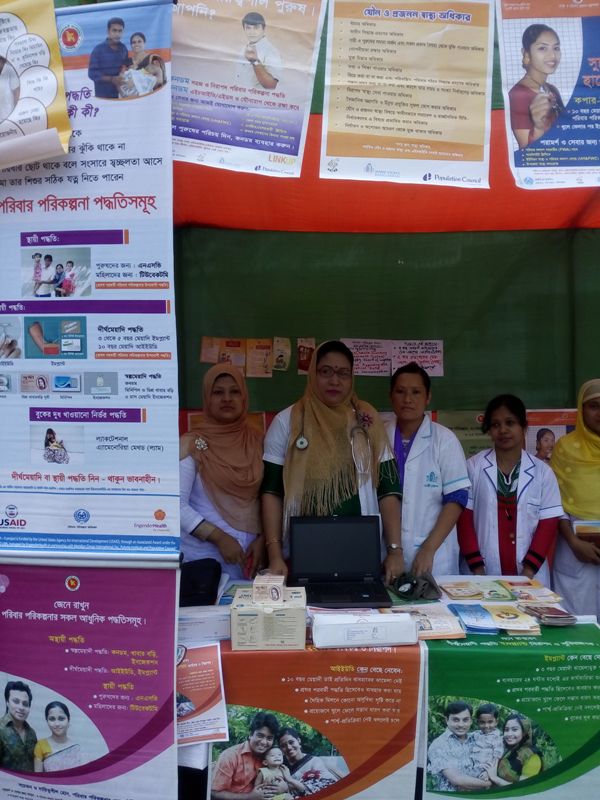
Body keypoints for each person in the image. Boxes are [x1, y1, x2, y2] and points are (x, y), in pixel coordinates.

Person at [261, 340, 403, 585]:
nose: (334, 380)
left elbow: (387, 491)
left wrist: (395, 551)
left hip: (362, 548)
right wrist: (275, 555)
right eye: (325, 371)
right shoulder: (288, 422)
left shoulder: (367, 420)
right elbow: (272, 492)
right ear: (312, 374)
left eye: (343, 373)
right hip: (305, 549)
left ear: (351, 378)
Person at [457, 394, 562, 585]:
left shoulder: (543, 472)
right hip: (480, 573)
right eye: (495, 425)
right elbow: (464, 520)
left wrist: (528, 573)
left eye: (510, 423)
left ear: (524, 427)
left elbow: (548, 524)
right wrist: (478, 571)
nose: (503, 430)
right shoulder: (473, 467)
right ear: (489, 430)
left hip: (530, 574)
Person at [382, 362, 470, 575]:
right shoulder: (378, 437)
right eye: (400, 392)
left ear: (428, 397)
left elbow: (457, 497)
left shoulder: (444, 440)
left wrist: (429, 549)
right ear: (391, 396)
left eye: (416, 392)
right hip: (386, 553)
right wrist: (393, 550)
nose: (407, 399)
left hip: (434, 556)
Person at [180, 364, 265, 580]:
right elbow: (175, 506)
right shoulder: (190, 444)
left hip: (251, 561)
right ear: (207, 399)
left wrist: (264, 540)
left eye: (234, 391)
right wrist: (219, 537)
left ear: (244, 397)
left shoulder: (259, 442)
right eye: (218, 392)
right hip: (202, 563)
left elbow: (273, 497)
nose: (227, 398)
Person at [551, 379, 600, 617]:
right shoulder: (565, 448)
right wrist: (573, 542)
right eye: (593, 406)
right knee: (579, 626)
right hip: (575, 549)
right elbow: (554, 503)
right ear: (582, 409)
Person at [509, 24, 565, 149]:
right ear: (527, 54)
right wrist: (539, 127)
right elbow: (526, 150)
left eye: (556, 48)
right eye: (542, 48)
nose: (552, 56)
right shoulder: (518, 95)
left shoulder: (552, 89)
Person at [211, 712, 280, 800]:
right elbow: (215, 792)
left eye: (269, 738)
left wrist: (283, 787)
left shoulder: (270, 756)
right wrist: (249, 797)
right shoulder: (230, 756)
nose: (264, 742)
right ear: (250, 734)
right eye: (260, 736)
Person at [427, 701, 490, 791]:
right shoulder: (439, 745)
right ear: (447, 720)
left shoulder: (477, 738)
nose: (461, 725)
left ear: (471, 721)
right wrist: (490, 783)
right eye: (456, 720)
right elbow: (457, 780)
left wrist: (490, 772)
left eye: (465, 720)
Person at [278, 727, 341, 795]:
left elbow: (327, 785)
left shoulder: (314, 762)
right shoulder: (279, 766)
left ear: (298, 740)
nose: (289, 747)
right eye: (283, 746)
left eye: (291, 742)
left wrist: (290, 783)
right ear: (280, 749)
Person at [485, 714, 542, 785]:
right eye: (506, 730)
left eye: (515, 729)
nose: (509, 734)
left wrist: (495, 778)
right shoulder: (506, 748)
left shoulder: (532, 757)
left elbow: (523, 788)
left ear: (524, 732)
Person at [236, 13, 281, 91]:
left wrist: (255, 62)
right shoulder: (245, 47)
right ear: (244, 29)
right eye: (248, 28)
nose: (252, 32)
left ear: (263, 29)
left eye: (256, 28)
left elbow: (271, 85)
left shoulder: (271, 51)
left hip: (255, 97)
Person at [34, 701, 82, 772]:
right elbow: (37, 777)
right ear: (47, 721)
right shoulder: (41, 745)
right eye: (52, 719)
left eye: (61, 719)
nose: (57, 724)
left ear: (68, 720)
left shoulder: (76, 747)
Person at [0, 680, 37, 772]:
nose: (21, 707)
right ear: (7, 702)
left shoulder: (31, 733)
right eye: (16, 701)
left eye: (25, 704)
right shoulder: (1, 729)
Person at [88, 17, 129, 98]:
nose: (117, 34)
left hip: (121, 94)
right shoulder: (98, 49)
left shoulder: (123, 48)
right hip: (103, 96)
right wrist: (112, 79)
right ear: (108, 31)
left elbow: (126, 66)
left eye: (120, 31)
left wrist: (124, 72)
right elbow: (92, 74)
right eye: (114, 30)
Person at [471, 704, 503, 775]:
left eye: (490, 722)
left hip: (487, 772)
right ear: (478, 722)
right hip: (473, 771)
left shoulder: (497, 738)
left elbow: (496, 758)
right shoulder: (475, 734)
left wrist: (488, 773)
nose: (486, 726)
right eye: (482, 722)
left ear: (496, 722)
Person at [0, 55, 19, 123]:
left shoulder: (9, 70)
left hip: (9, 114)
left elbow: (16, 92)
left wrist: (16, 112)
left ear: (2, 60)